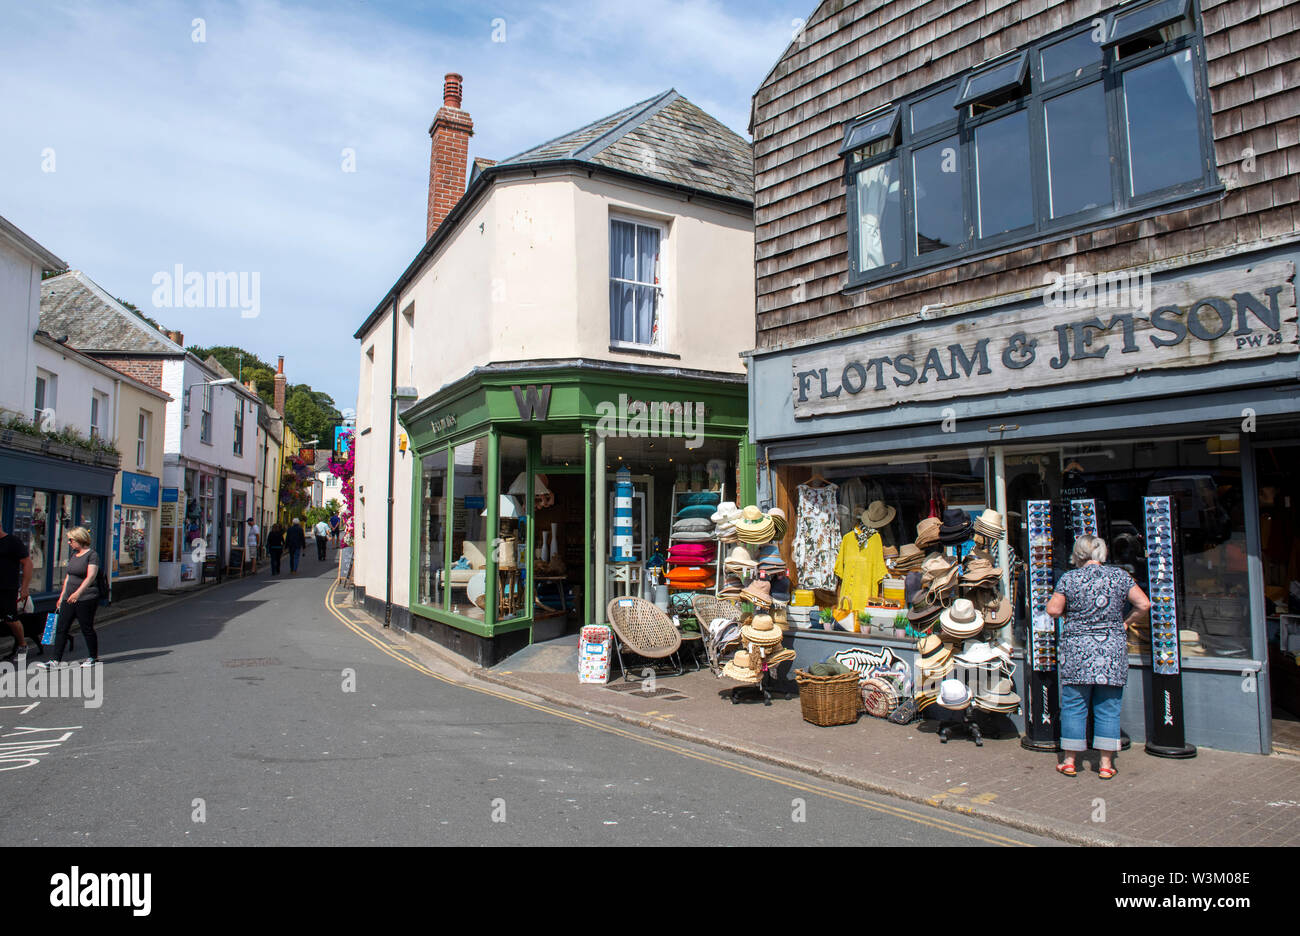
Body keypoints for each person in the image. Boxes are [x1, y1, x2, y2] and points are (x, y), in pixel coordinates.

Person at [1046, 535, 1150, 780]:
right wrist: (1124, 623)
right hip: (1111, 648)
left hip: (1078, 649)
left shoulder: (1069, 578)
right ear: (1101, 553)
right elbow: (1144, 604)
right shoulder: (1120, 576)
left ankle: (1070, 761)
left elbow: (1053, 609)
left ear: (1078, 554)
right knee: (1108, 707)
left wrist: (1074, 618)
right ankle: (1105, 764)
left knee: (1074, 706)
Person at [37, 526, 102, 668]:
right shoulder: (74, 555)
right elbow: (68, 577)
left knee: (86, 627)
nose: (69, 542)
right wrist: (62, 596)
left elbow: (91, 576)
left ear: (79, 539)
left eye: (70, 540)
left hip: (86, 598)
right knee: (61, 628)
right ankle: (55, 660)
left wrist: (78, 593)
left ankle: (93, 657)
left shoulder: (92, 555)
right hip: (68, 598)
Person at [0, 521, 39, 661]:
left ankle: (22, 645)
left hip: (7, 588)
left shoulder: (12, 542)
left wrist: (24, 588)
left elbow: (27, 563)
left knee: (11, 619)